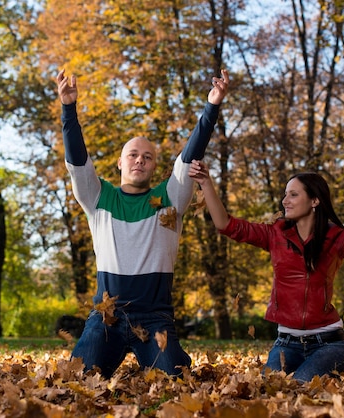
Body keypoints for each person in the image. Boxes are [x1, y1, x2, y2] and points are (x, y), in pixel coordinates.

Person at [188, 155, 344, 382]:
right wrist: (206, 182)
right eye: (285, 194)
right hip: (286, 343)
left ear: (315, 200)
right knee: (268, 388)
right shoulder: (275, 234)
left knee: (301, 386)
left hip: (329, 344)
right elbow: (227, 225)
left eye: (293, 195)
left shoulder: (337, 239)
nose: (285, 200)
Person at [56, 68, 230, 378]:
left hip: (154, 319)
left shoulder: (170, 197)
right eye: (133, 155)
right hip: (106, 318)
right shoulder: (98, 197)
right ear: (120, 163)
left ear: (154, 166)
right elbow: (77, 162)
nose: (140, 160)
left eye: (147, 157)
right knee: (76, 381)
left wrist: (212, 106)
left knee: (176, 381)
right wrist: (68, 109)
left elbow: (190, 155)